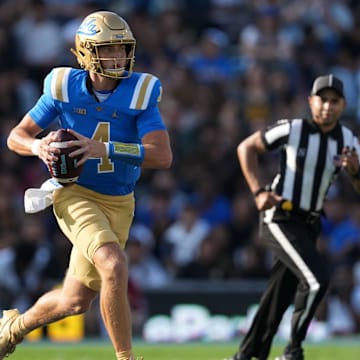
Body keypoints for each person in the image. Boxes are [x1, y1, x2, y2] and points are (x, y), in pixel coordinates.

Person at [2, 10, 172, 360]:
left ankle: (11, 328)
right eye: (108, 49)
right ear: (85, 52)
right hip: (73, 192)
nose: (118, 57)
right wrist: (38, 146)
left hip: (120, 201)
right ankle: (126, 357)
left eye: (122, 49)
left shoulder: (139, 91)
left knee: (74, 301)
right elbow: (16, 136)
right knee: (114, 264)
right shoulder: (64, 88)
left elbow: (161, 155)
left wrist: (104, 148)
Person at [227, 74, 360, 360]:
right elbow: (246, 147)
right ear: (311, 101)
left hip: (310, 223)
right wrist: (258, 192)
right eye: (322, 99)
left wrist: (355, 171)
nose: (327, 106)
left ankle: (248, 355)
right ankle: (293, 351)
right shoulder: (293, 129)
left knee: (279, 294)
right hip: (280, 216)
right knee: (317, 280)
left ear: (343, 105)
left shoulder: (348, 141)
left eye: (334, 101)